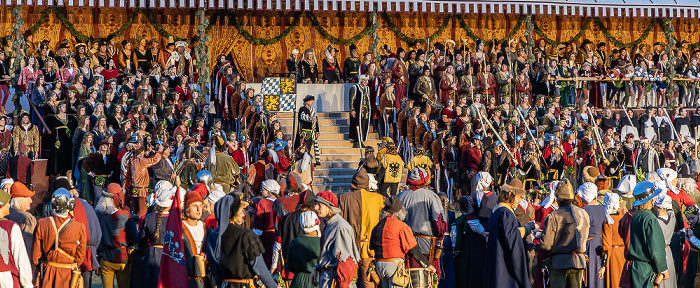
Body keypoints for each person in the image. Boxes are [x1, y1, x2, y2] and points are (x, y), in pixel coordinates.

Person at [369, 196, 436, 288]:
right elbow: (412, 249)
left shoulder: (377, 227)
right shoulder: (402, 226)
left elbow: (371, 247)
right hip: (394, 266)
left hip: (379, 265)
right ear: (400, 212)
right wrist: (426, 264)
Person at [484, 179, 536, 288]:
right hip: (505, 268)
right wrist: (528, 227)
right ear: (509, 195)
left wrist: (525, 244)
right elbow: (512, 238)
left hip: (497, 262)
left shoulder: (497, 210)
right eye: (518, 197)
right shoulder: (505, 213)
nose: (519, 200)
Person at [337, 168, 384, 288]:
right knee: (368, 282)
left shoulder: (343, 198)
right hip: (370, 249)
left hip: (349, 249)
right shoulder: (378, 199)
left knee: (349, 282)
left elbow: (338, 224)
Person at [539, 179, 590, 288]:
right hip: (578, 261)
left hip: (559, 263)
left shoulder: (553, 216)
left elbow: (546, 244)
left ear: (557, 199)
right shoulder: (583, 214)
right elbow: (585, 237)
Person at [32, 188, 87, 288]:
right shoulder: (79, 227)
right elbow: (80, 257)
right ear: (70, 204)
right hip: (69, 275)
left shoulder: (42, 224)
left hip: (48, 273)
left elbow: (36, 256)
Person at [398, 168, 447, 270]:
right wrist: (440, 237)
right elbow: (438, 220)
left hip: (404, 242)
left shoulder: (400, 196)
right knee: (427, 274)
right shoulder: (431, 196)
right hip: (426, 244)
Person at [312, 191, 361, 288]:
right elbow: (328, 253)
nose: (315, 208)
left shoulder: (340, 227)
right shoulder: (329, 224)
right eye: (315, 205)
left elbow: (346, 261)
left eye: (319, 205)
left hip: (336, 281)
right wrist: (316, 267)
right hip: (328, 279)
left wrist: (343, 284)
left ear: (329, 207)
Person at [624, 181, 669, 287]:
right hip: (645, 270)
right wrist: (663, 268)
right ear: (650, 200)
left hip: (633, 267)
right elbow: (656, 249)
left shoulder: (633, 216)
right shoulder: (650, 218)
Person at [95, 183, 137, 288]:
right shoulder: (125, 215)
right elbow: (134, 238)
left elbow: (95, 238)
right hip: (122, 258)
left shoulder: (98, 215)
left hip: (105, 258)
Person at [462, 172, 497, 288]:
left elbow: (472, 220)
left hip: (477, 234)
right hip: (491, 232)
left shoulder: (472, 197)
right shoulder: (496, 197)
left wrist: (483, 233)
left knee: (476, 264)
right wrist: (487, 234)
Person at [0, 187, 33, 288]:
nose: (9, 205)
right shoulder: (11, 227)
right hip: (6, 279)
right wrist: (27, 284)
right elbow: (20, 257)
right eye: (7, 202)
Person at [286, 211, 322, 288]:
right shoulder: (322, 242)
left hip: (299, 280)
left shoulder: (295, 242)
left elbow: (290, 266)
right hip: (318, 280)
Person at [182, 190, 208, 288]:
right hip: (184, 279)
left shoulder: (205, 227)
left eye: (200, 206)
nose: (198, 209)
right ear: (187, 208)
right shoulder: (180, 227)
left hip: (201, 280)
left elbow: (211, 249)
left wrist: (207, 256)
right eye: (194, 206)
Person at [6, 182, 36, 263]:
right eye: (28, 198)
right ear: (19, 200)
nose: (31, 201)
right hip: (21, 261)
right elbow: (28, 246)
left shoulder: (5, 213)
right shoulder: (27, 218)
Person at [350, 75, 371, 147]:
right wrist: (352, 109)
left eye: (366, 80)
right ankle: (357, 141)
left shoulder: (367, 89)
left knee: (364, 125)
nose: (365, 82)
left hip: (365, 111)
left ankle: (361, 140)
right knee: (357, 125)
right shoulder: (355, 88)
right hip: (358, 110)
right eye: (364, 80)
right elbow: (352, 99)